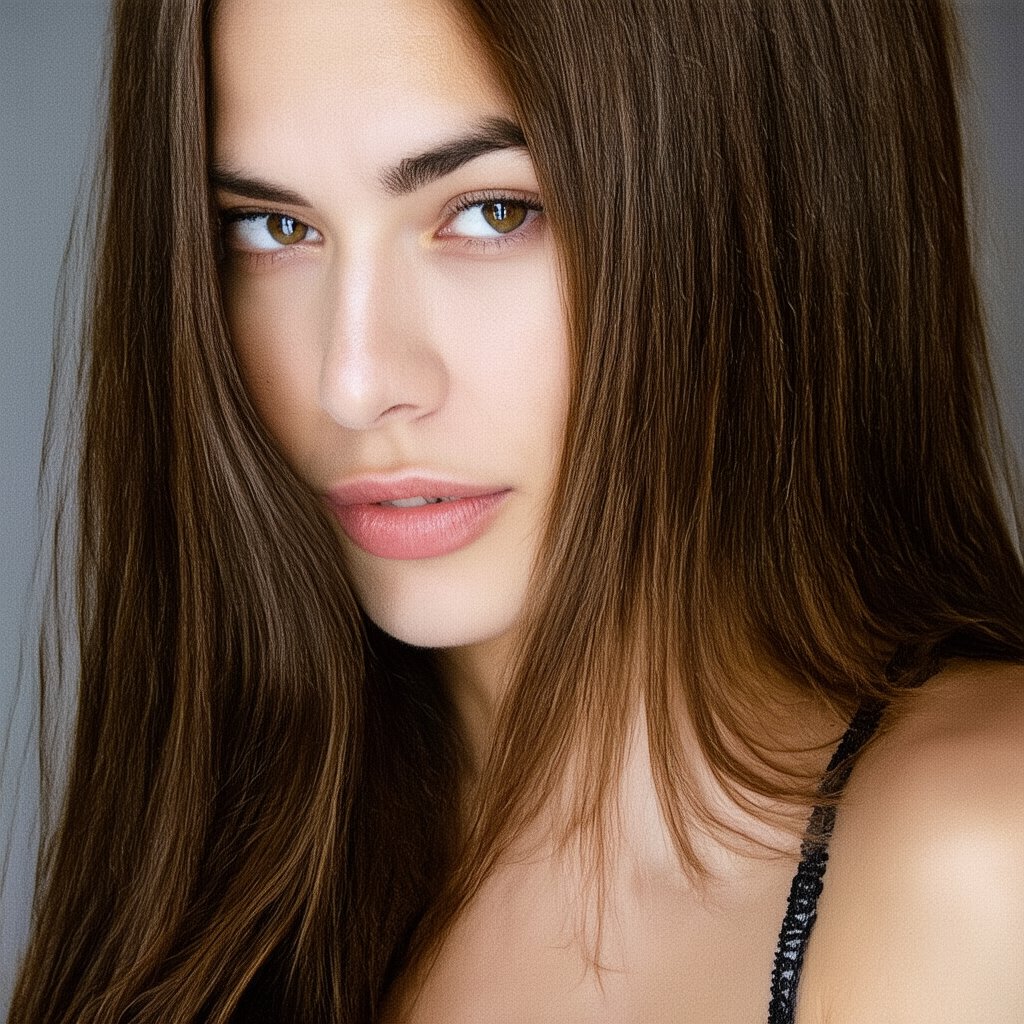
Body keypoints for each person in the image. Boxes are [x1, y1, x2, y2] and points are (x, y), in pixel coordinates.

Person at [7, 0, 1023, 1021]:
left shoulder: (978, 855)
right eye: (274, 227)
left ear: (769, 186)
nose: (353, 383)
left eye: (491, 211)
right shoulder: (217, 887)